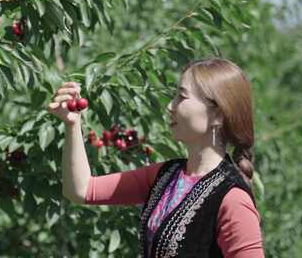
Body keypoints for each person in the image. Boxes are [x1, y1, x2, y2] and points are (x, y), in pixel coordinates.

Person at [47, 57, 265, 258]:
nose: (170, 106)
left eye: (182, 97)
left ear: (217, 114)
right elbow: (81, 190)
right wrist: (72, 125)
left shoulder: (233, 199)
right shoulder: (166, 176)